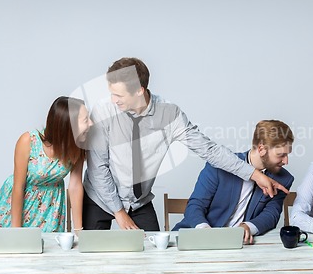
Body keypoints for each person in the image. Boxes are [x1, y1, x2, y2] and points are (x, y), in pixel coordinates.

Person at [82, 57, 289, 231]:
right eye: (111, 93)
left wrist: (254, 174)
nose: (113, 99)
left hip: (138, 202)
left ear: (139, 90)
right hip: (99, 198)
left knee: (156, 260)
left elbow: (209, 150)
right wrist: (119, 212)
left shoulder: (169, 115)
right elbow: (98, 167)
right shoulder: (103, 111)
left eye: (118, 95)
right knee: (93, 262)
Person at [173, 120, 295, 244]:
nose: (286, 161)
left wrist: (248, 227)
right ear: (261, 149)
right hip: (197, 238)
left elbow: (271, 215)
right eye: (281, 155)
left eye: (287, 155)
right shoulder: (220, 164)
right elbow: (195, 205)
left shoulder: (283, 179)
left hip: (240, 245)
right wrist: (205, 230)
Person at [0, 96, 92, 232]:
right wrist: (16, 231)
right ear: (68, 125)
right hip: (20, 204)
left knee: (49, 249)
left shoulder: (77, 145)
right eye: (86, 120)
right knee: (10, 247)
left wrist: (79, 231)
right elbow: (18, 187)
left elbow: (75, 186)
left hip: (51, 208)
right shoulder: (28, 141)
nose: (91, 123)